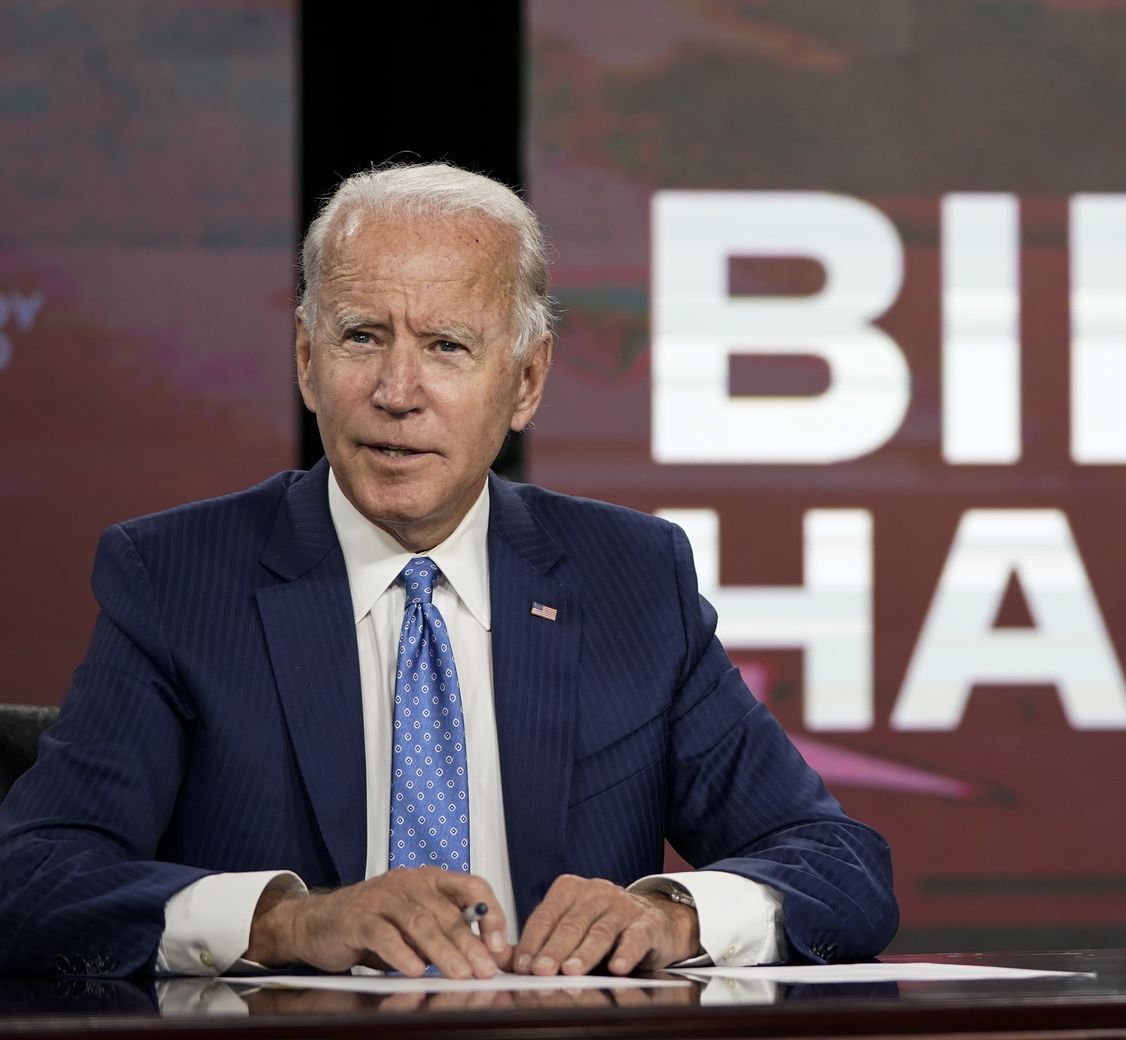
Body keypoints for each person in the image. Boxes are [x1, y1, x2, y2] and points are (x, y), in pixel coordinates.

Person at [0, 163, 897, 979]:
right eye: (360, 337)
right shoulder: (175, 578)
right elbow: (33, 879)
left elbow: (839, 864)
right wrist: (283, 922)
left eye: (447, 346)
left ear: (527, 382)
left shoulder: (632, 578)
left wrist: (673, 914)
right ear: (307, 363)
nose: (397, 390)